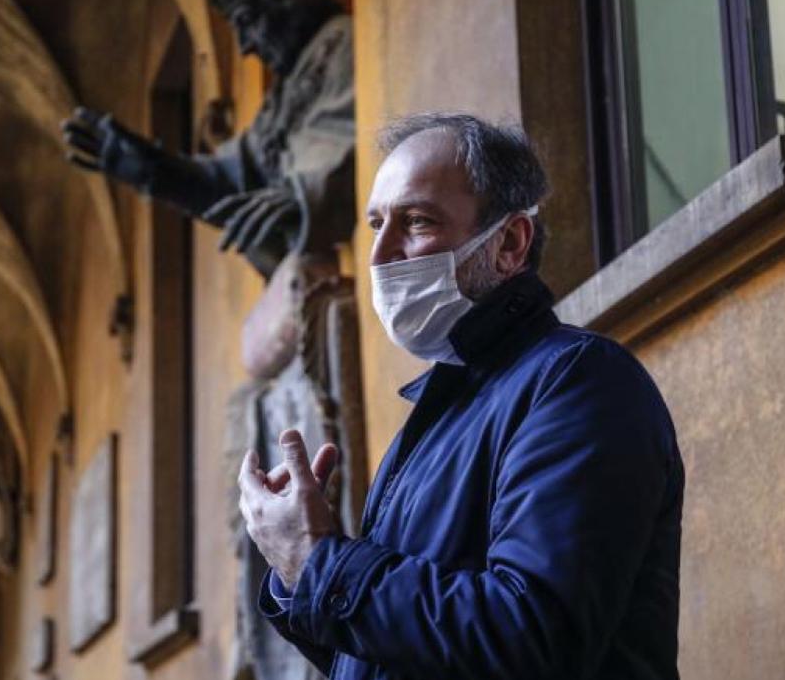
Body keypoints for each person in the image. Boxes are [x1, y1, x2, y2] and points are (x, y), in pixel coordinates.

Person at [239, 113, 685, 679]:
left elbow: (530, 638)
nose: (379, 255)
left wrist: (320, 563)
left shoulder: (578, 382)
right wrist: (295, 569)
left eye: (416, 222)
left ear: (509, 243)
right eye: (376, 224)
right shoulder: (439, 411)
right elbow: (399, 655)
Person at [60, 0, 354, 279]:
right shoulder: (281, 97)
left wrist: (303, 197)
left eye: (246, 22)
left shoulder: (344, 47)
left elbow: (365, 149)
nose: (246, 46)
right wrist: (154, 171)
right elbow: (231, 185)